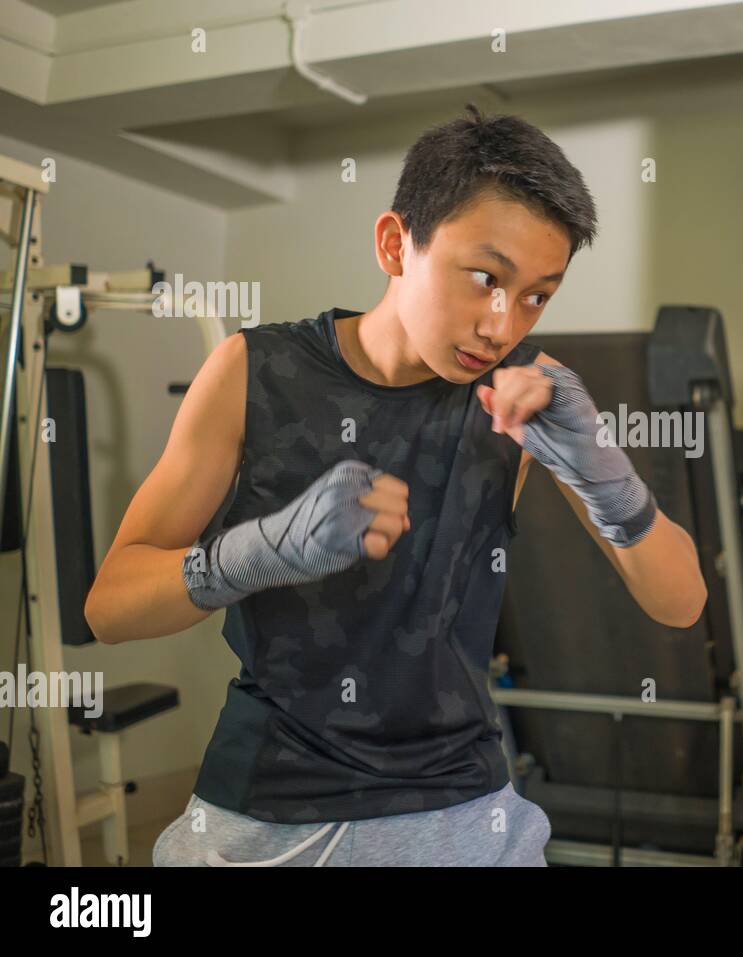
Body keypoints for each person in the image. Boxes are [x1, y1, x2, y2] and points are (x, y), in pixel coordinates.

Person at [83, 103, 708, 866]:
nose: (503, 323)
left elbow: (681, 603)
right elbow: (108, 606)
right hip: (269, 805)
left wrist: (606, 473)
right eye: (485, 278)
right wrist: (254, 553)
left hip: (461, 807)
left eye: (538, 294)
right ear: (394, 244)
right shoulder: (254, 373)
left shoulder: (520, 401)